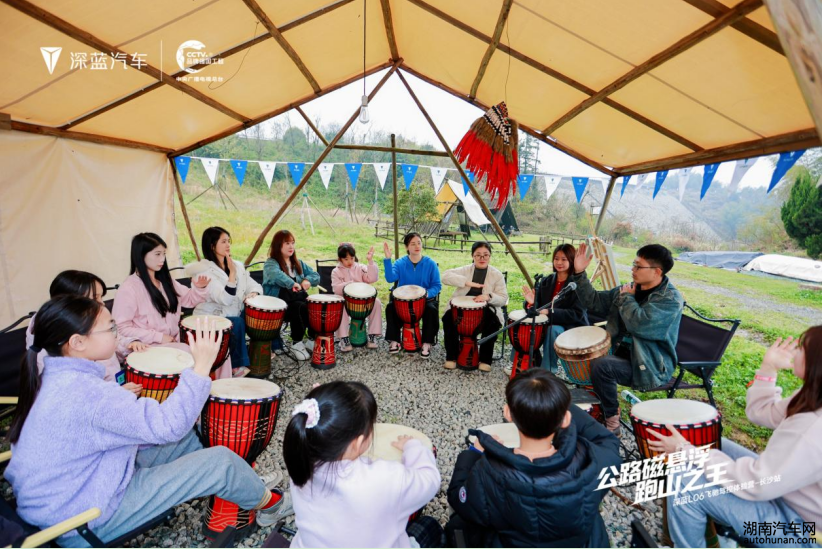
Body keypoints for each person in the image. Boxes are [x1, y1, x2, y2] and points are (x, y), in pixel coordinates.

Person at [5, 295, 292, 547]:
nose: (117, 333)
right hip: (83, 518)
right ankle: (271, 506)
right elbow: (168, 425)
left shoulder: (54, 378)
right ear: (77, 342)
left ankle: (244, 484)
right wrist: (202, 366)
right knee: (220, 462)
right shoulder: (89, 394)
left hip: (69, 493)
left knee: (187, 440)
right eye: (110, 328)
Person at [650, 330, 822, 548]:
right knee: (713, 444)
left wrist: (686, 450)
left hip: (804, 534)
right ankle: (714, 528)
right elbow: (761, 413)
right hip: (787, 494)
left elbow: (758, 483)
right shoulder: (812, 397)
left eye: (802, 349)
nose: (796, 351)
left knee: (684, 480)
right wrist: (768, 367)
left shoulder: (812, 428)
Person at [446, 368, 622, 547]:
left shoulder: (488, 473)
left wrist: (473, 453)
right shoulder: (594, 462)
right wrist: (553, 404)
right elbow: (607, 440)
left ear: (508, 413)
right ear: (566, 418)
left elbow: (459, 500)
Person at [283, 381, 443, 548]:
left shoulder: (300, 465)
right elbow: (430, 479)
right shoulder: (384, 479)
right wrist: (412, 447)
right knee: (429, 525)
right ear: (358, 443)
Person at [572, 242, 684, 433]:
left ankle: (612, 421)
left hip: (649, 365)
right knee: (583, 355)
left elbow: (640, 325)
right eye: (633, 264)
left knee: (602, 365)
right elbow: (594, 302)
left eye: (638, 266)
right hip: (620, 355)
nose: (633, 269)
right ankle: (594, 408)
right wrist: (579, 273)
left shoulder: (669, 300)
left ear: (657, 271)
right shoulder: (630, 289)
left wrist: (627, 298)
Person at [112, 233, 233, 379]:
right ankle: (202, 388)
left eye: (164, 254)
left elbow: (189, 300)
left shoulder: (166, 281)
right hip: (149, 346)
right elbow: (121, 328)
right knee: (189, 352)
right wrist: (159, 337)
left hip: (174, 339)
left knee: (217, 347)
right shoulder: (129, 288)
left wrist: (199, 288)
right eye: (157, 254)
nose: (162, 259)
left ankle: (222, 388)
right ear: (141, 255)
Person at [26, 270, 144, 394]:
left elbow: (113, 337)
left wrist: (129, 343)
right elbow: (81, 393)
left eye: (101, 297)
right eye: (94, 298)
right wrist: (114, 393)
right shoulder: (52, 343)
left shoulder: (92, 320)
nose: (102, 303)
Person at [187, 227, 263, 378]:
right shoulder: (204, 272)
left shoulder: (237, 265)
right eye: (223, 241)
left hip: (233, 312)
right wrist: (232, 274)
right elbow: (225, 299)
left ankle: (265, 353)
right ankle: (236, 366)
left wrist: (253, 293)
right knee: (237, 322)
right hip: (211, 319)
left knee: (257, 313)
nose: (228, 245)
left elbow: (253, 284)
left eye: (229, 241)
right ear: (212, 246)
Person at [441, 241, 508, 372]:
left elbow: (503, 298)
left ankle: (485, 359)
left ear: (490, 256)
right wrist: (466, 282)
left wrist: (488, 296)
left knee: (493, 323)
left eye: (486, 255)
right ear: (473, 256)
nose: (482, 258)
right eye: (478, 255)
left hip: (486, 308)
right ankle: (451, 357)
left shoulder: (496, 275)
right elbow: (445, 276)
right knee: (448, 318)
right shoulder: (465, 270)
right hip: (461, 309)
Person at [521, 244, 588, 374]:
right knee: (526, 324)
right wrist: (531, 303)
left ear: (572, 260)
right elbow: (537, 302)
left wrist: (549, 312)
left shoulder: (579, 284)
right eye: (556, 258)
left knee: (553, 330)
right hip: (547, 321)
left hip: (570, 326)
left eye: (564, 259)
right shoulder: (547, 280)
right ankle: (521, 363)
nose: (559, 262)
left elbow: (577, 314)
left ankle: (547, 371)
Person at [262, 230, 320, 361]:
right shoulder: (271, 263)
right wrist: (292, 283)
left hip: (297, 301)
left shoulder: (298, 263)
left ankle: (311, 339)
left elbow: (316, 276)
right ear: (278, 245)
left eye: (293, 243)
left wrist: (307, 280)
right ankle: (296, 342)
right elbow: (276, 275)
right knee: (300, 306)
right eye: (287, 243)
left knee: (313, 305)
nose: (291, 246)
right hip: (278, 307)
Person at [383, 233, 442, 359]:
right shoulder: (400, 263)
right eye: (413, 244)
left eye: (419, 243)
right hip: (403, 301)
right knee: (391, 307)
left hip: (425, 300)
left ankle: (427, 342)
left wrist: (427, 294)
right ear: (407, 247)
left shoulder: (430, 264)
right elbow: (390, 278)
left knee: (431, 309)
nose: (417, 246)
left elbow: (437, 286)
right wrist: (388, 260)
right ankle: (395, 340)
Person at [331, 243, 382, 352]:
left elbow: (372, 278)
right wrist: (350, 284)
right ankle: (343, 338)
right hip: (345, 300)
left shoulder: (360, 267)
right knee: (340, 305)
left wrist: (370, 261)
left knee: (376, 302)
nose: (350, 261)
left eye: (352, 258)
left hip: (362, 300)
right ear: (340, 259)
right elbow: (336, 289)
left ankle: (372, 335)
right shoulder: (336, 271)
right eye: (346, 259)